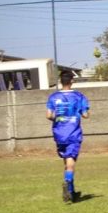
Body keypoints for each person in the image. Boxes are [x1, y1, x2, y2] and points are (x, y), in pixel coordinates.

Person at [46, 71, 90, 203]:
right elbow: (85, 115)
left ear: (60, 81)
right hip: (73, 133)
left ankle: (71, 191)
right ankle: (68, 182)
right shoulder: (78, 96)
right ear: (71, 81)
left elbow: (49, 115)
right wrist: (80, 112)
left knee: (66, 161)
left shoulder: (53, 97)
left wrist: (59, 118)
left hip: (59, 133)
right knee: (71, 163)